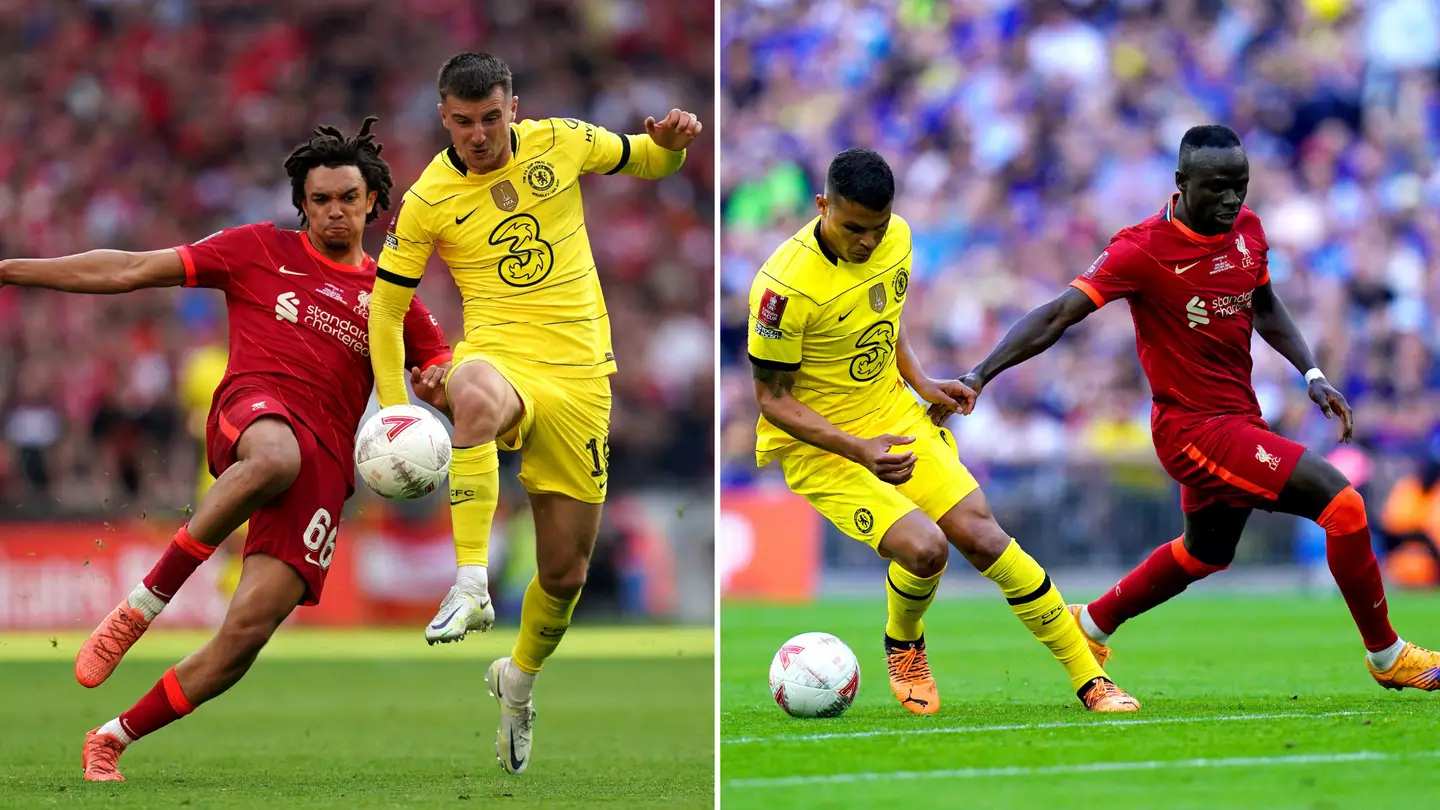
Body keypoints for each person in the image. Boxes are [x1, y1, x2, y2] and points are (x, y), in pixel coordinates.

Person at [0, 118, 455, 781]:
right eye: (320, 199)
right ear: (302, 203)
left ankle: (111, 738)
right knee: (274, 458)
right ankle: (140, 608)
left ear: (371, 203)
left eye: (347, 199)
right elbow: (130, 269)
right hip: (258, 408)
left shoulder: (393, 294)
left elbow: (441, 371)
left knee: (243, 639)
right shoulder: (254, 250)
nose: (333, 211)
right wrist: (11, 270)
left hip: (327, 465)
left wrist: (439, 382)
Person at [943, 124, 1440, 691]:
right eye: (1218, 187)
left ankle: (1091, 623)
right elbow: (1058, 314)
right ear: (1181, 183)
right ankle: (1388, 656)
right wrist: (979, 374)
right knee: (1344, 506)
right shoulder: (1141, 248)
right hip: (1194, 430)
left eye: (1241, 186)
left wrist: (1313, 373)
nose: (1232, 200)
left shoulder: (1248, 231)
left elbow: (1267, 306)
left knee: (1205, 552)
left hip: (1238, 417)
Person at [366, 51, 703, 774]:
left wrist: (672, 146)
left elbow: (647, 160)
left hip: (582, 376)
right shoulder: (427, 198)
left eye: (491, 117)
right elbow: (387, 308)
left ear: (512, 108)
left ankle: (517, 682)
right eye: (463, 123)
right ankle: (470, 585)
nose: (479, 135)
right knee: (476, 399)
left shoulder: (563, 141)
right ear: (443, 118)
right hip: (498, 354)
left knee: (565, 572)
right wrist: (396, 411)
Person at [745, 147, 1140, 716]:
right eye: (854, 228)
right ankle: (904, 639)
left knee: (982, 536)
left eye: (876, 229)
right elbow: (772, 401)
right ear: (822, 205)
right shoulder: (782, 291)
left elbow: (882, 321)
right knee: (926, 549)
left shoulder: (898, 238)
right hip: (823, 447)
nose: (867, 242)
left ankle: (1089, 680)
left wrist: (923, 383)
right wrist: (859, 448)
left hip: (894, 417)